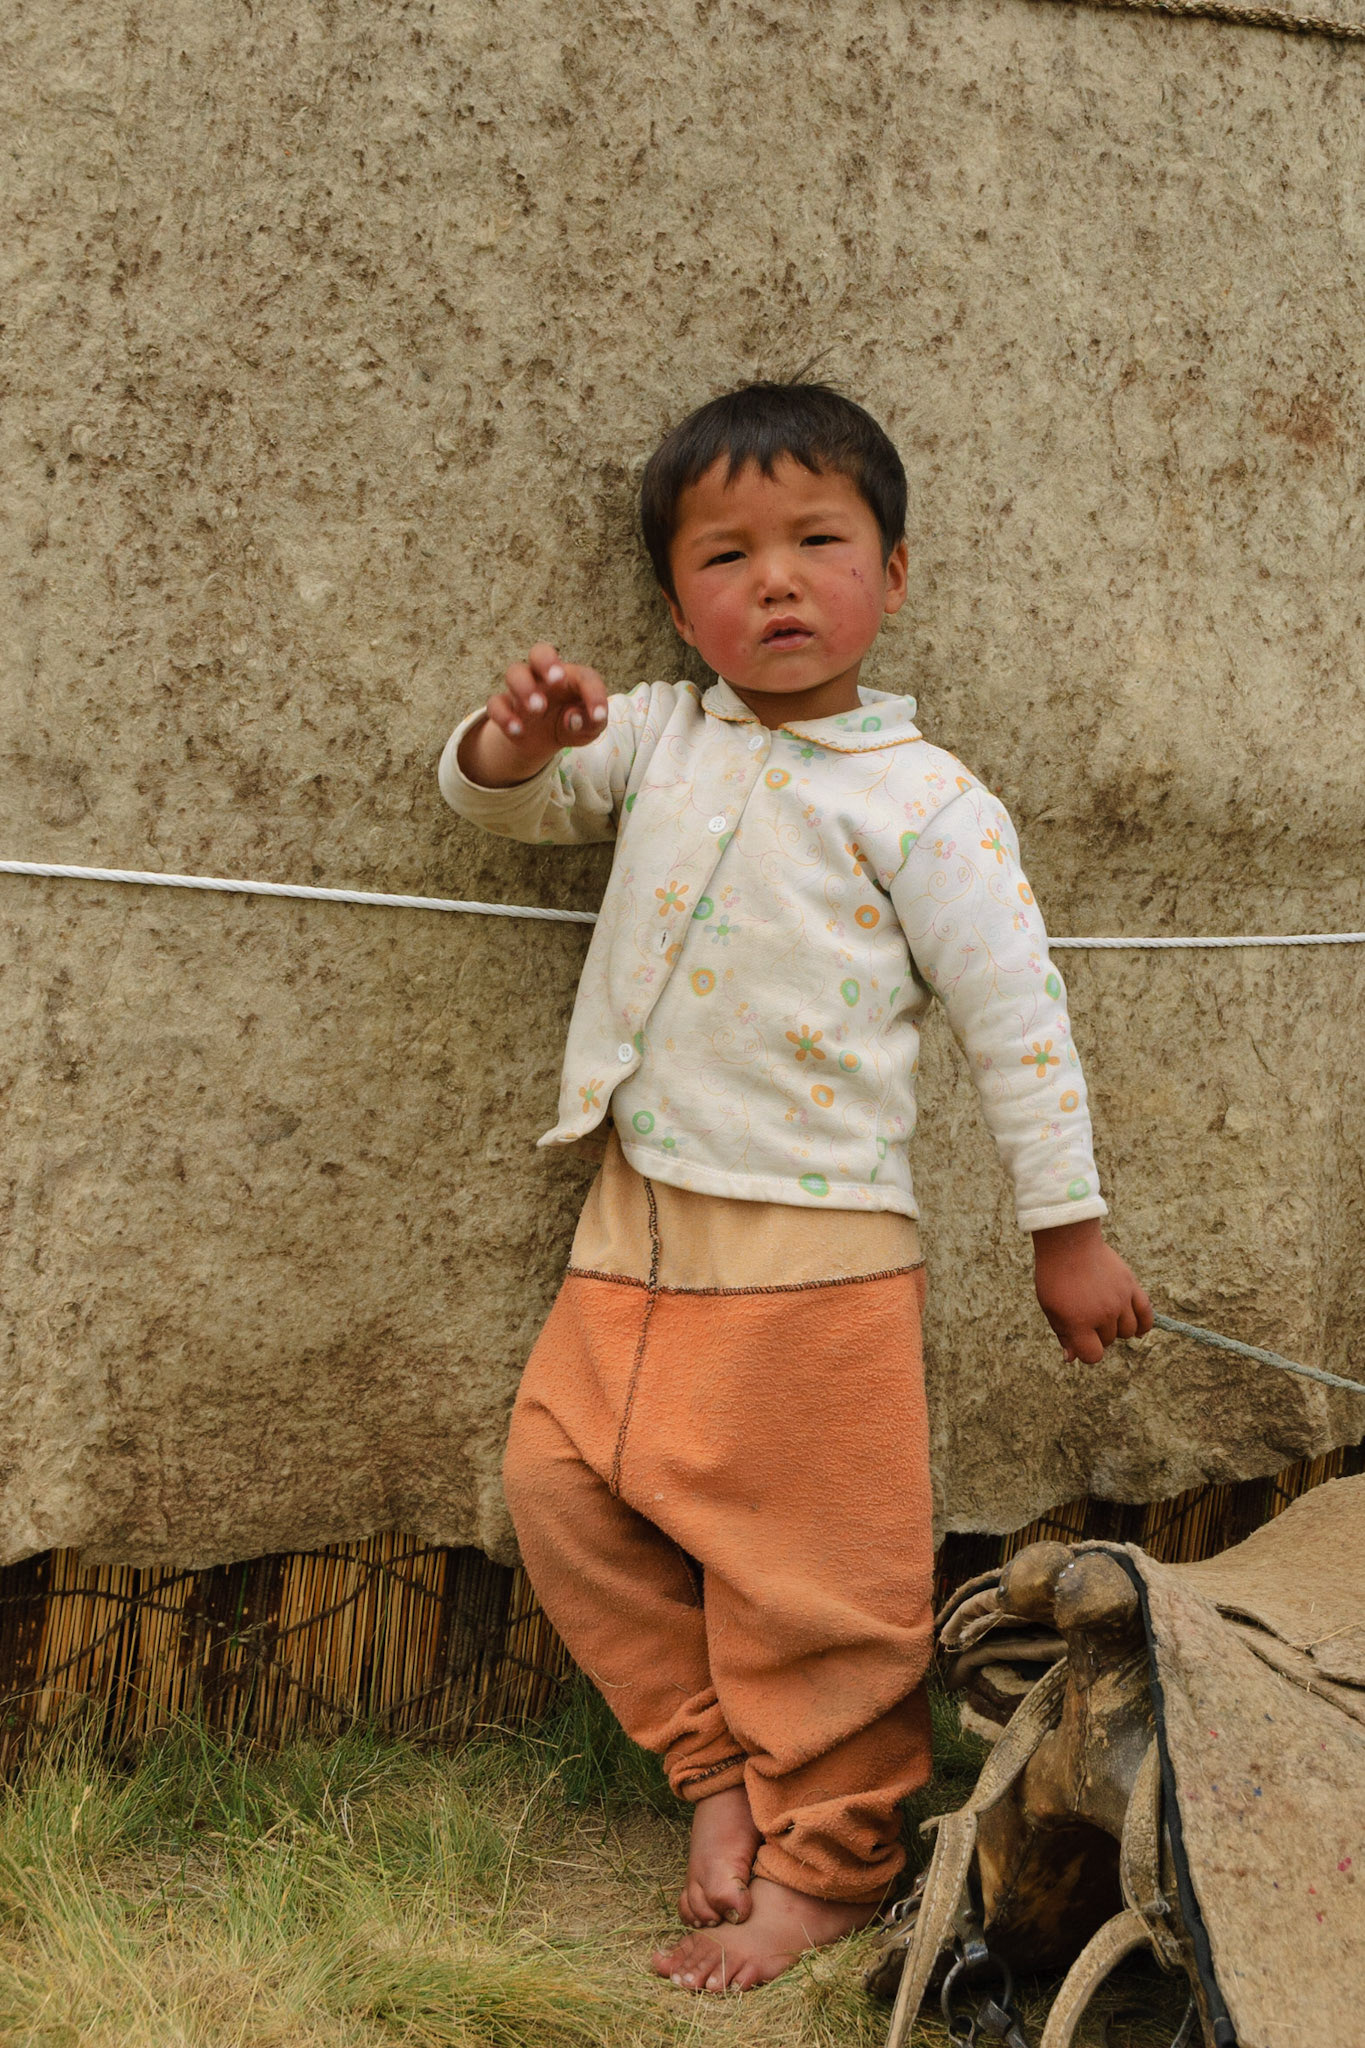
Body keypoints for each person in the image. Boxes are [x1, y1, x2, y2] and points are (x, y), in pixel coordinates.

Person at [438, 382, 1152, 1993]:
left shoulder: (924, 805)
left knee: (816, 1585)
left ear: (891, 575)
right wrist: (515, 737)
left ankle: (823, 1863)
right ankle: (715, 1779)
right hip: (632, 1223)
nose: (772, 582)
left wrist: (1069, 1232)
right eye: (724, 556)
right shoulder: (656, 737)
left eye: (816, 543)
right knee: (559, 1490)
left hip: (818, 1250)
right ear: (675, 599)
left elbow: (1015, 1021)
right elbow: (502, 801)